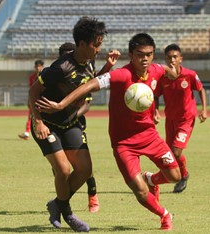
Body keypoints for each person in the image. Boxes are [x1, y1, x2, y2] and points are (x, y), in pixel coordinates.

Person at [34, 33, 182, 231]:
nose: (144, 58)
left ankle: (151, 179)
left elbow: (169, 72)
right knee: (139, 190)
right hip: (124, 143)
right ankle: (164, 214)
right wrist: (61, 104)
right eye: (140, 54)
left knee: (175, 176)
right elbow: (89, 85)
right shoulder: (120, 75)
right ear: (131, 54)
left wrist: (174, 70)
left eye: (149, 54)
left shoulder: (155, 70)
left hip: (150, 136)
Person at [28, 17, 120, 232]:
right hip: (48, 124)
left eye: (99, 44)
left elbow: (88, 83)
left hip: (70, 122)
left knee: (85, 170)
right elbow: (33, 92)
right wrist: (39, 122)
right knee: (63, 169)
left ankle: (57, 204)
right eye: (95, 44)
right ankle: (67, 212)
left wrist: (108, 66)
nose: (98, 49)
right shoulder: (60, 67)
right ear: (81, 44)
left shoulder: (89, 61)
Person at [154, 43, 208, 193]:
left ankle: (182, 177)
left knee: (175, 152)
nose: (172, 60)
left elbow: (201, 89)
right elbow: (155, 96)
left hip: (186, 119)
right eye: (169, 57)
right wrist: (155, 112)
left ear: (180, 59)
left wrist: (204, 110)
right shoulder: (162, 78)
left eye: (175, 57)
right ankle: (183, 174)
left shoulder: (189, 75)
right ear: (165, 59)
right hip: (170, 119)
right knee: (170, 153)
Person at [58, 42, 100, 213]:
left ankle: (92, 194)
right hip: (56, 127)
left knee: (83, 168)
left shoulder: (82, 75)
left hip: (75, 125)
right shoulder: (56, 74)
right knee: (60, 169)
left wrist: (72, 116)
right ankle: (63, 203)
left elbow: (87, 105)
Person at [18, 59, 44, 140]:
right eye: (36, 66)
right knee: (31, 116)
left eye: (39, 66)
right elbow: (31, 89)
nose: (37, 68)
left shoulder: (45, 75)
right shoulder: (32, 77)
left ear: (42, 67)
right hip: (34, 100)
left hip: (43, 100)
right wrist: (29, 100)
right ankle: (27, 133)